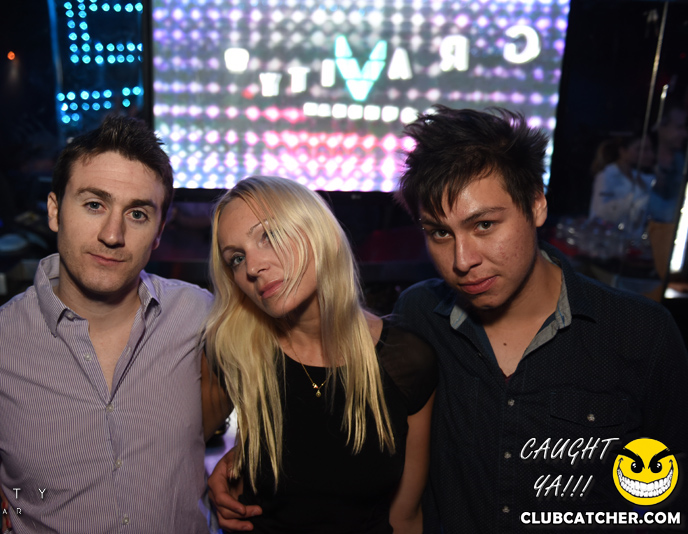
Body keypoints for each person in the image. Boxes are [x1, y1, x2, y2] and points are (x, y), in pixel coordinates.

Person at [391, 105, 688, 532]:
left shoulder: (640, 332)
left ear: (536, 204)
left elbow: (667, 500)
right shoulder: (419, 317)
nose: (462, 259)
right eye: (440, 232)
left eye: (484, 225)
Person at [0, 116, 227, 534]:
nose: (112, 235)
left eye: (137, 213)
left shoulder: (201, 317)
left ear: (158, 233)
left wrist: (242, 459)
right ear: (55, 211)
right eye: (94, 204)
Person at [204, 176, 436, 533]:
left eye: (268, 236)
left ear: (317, 230)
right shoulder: (235, 352)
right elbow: (171, 453)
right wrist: (213, 483)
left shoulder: (406, 361)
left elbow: (405, 518)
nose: (252, 268)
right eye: (236, 258)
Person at [588, 132, 655, 233]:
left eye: (650, 149)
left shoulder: (645, 179)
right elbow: (599, 214)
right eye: (640, 149)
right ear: (623, 151)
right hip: (610, 238)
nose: (649, 155)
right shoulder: (607, 176)